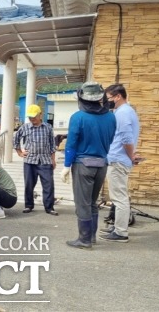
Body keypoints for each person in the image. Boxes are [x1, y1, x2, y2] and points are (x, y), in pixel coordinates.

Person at [61, 82, 116, 249]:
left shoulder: (78, 117)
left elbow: (71, 144)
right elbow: (111, 140)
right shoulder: (111, 116)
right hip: (102, 164)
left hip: (83, 165)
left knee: (82, 203)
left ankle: (84, 240)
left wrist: (66, 166)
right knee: (92, 202)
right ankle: (91, 237)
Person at [99, 84, 140, 243]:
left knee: (119, 198)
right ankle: (117, 226)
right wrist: (132, 155)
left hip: (118, 160)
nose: (107, 101)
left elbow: (126, 139)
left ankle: (121, 232)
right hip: (119, 159)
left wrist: (131, 156)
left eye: (108, 98)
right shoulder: (126, 112)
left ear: (118, 96)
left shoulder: (123, 113)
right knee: (119, 195)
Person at [13, 104, 58, 215]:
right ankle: (28, 205)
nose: (32, 119)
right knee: (29, 184)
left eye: (34, 116)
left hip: (45, 160)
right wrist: (19, 152)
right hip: (30, 161)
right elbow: (15, 140)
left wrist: (53, 159)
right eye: (30, 117)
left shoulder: (48, 127)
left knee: (48, 185)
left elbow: (52, 144)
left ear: (40, 114)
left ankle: (49, 207)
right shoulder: (25, 127)